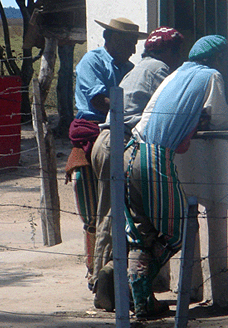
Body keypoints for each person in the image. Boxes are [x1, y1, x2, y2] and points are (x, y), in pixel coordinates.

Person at [124, 35, 228, 318]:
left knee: (142, 232)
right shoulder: (211, 75)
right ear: (217, 58)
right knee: (179, 230)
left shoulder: (175, 74)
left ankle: (141, 302)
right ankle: (140, 283)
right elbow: (221, 119)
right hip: (155, 158)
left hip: (131, 151)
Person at [89, 26, 185, 312]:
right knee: (117, 217)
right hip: (118, 142)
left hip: (109, 140)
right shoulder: (159, 70)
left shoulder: (141, 67)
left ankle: (114, 285)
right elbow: (167, 107)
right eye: (177, 51)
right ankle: (106, 286)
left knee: (120, 217)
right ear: (167, 50)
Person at [64, 17, 147, 294]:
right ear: (111, 38)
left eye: (135, 44)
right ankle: (97, 274)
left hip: (121, 130)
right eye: (129, 44)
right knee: (102, 209)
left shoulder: (130, 68)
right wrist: (134, 106)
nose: (133, 50)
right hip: (95, 130)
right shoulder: (92, 61)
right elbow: (99, 100)